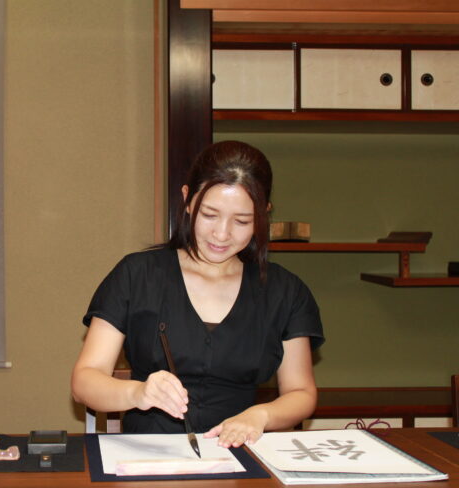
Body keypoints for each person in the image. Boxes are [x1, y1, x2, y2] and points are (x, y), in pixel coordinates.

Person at [71, 140, 324, 448]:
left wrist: (261, 416)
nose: (222, 234)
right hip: (148, 457)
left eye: (242, 221)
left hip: (241, 454)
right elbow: (85, 380)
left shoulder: (286, 292)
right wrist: (138, 393)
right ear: (187, 200)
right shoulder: (138, 275)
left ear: (263, 215)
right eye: (210, 215)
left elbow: (301, 393)